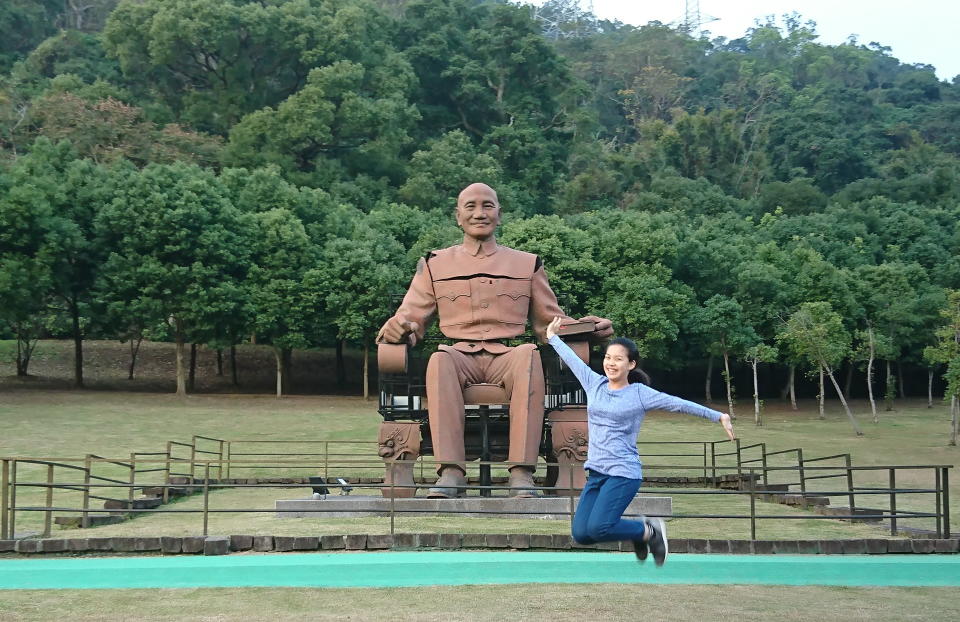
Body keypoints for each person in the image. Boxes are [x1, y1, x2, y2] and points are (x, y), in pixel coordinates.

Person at [376, 183, 613, 498]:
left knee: (529, 354)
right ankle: (450, 472)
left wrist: (587, 329)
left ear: (499, 214)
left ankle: (521, 474)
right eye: (470, 206)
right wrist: (397, 327)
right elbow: (410, 317)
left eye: (487, 206)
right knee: (439, 359)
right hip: (459, 356)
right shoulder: (436, 264)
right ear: (457, 216)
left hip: (508, 357)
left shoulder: (526, 264)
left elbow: (549, 323)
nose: (479, 213)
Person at [545, 316, 735, 566]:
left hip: (623, 472)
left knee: (600, 527)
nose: (610, 363)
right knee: (581, 533)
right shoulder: (595, 384)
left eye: (618, 359)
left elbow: (678, 404)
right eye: (608, 358)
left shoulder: (640, 394)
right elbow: (571, 360)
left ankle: (649, 532)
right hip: (597, 471)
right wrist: (552, 338)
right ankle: (642, 533)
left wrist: (718, 415)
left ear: (631, 364)